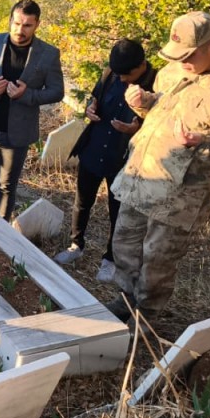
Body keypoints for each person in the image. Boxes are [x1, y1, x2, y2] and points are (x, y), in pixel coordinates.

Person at [106, 12, 210, 322]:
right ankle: (125, 301)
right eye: (176, 54)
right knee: (124, 245)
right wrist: (144, 102)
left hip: (181, 196)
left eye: (188, 55)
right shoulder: (172, 71)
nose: (180, 61)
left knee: (157, 261)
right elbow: (164, 109)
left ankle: (145, 320)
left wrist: (204, 144)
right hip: (142, 176)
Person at [55, 39, 157, 283]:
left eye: (127, 75)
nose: (122, 80)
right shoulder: (110, 73)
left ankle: (110, 259)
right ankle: (75, 244)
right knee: (82, 201)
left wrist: (135, 128)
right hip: (94, 146)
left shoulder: (157, 83)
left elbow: (157, 126)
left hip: (122, 157)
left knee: (117, 211)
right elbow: (95, 100)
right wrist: (91, 109)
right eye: (118, 74)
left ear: (142, 65)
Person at [0, 0, 64, 221]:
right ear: (10, 20)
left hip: (16, 134)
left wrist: (27, 95)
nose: (20, 30)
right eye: (17, 23)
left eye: (27, 25)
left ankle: (1, 234)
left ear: (37, 24)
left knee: (7, 186)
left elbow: (57, 92)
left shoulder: (48, 54)